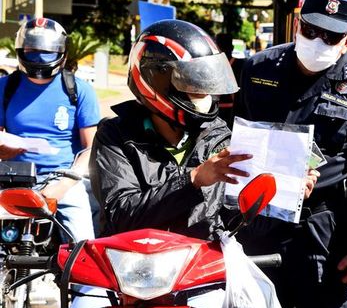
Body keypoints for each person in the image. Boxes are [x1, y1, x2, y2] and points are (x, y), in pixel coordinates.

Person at [234, 0, 347, 308]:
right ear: (297, 24)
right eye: (310, 30)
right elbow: (235, 139)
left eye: (330, 35)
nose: (317, 41)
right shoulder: (258, 70)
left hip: (323, 233)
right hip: (261, 224)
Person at [90, 19, 251, 239]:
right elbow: (121, 215)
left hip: (199, 265)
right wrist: (192, 180)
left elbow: (234, 220)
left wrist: (282, 194)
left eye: (205, 85)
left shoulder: (217, 135)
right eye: (192, 84)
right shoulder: (115, 137)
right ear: (157, 79)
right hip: (135, 262)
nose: (203, 95)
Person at [0, 17, 99, 243]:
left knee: (83, 247)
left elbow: (91, 148)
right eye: (32, 50)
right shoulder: (5, 88)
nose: (38, 57)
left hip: (63, 180)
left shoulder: (79, 91)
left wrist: (64, 185)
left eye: (46, 51)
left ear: (61, 53)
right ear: (21, 49)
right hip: (12, 179)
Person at [215, 33, 246, 126]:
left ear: (217, 47)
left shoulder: (212, 64)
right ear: (232, 46)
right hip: (236, 110)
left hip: (217, 111)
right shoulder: (242, 64)